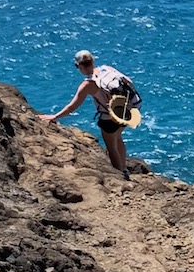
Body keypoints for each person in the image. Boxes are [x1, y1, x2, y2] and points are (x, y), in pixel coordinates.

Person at [41, 50, 137, 180]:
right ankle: (124, 167)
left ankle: (121, 174)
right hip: (124, 112)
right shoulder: (107, 68)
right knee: (118, 137)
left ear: (79, 66)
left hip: (108, 118)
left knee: (111, 145)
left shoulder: (88, 84)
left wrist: (54, 117)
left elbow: (72, 107)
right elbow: (128, 80)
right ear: (93, 61)